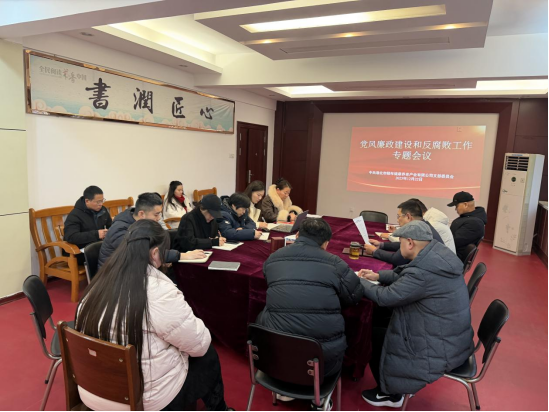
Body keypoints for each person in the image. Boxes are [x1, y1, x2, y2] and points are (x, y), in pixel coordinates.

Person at [75, 219, 231, 412]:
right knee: (208, 354)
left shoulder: (98, 283)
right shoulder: (159, 291)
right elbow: (199, 345)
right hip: (139, 400)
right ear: (155, 253)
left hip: (93, 390)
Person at [358, 221, 474, 408]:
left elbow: (385, 297)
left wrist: (357, 280)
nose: (399, 247)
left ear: (410, 243)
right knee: (382, 319)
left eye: (401, 242)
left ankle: (391, 394)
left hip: (438, 347)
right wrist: (377, 276)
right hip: (453, 339)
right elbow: (405, 277)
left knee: (374, 334)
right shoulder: (437, 255)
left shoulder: (423, 273)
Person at [257, 218, 363, 401]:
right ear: (326, 243)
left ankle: (287, 384)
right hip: (321, 362)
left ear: (297, 235)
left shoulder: (273, 258)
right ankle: (319, 398)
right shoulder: (336, 264)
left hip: (274, 356)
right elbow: (354, 296)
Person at [98, 193, 205, 268]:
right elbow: (141, 252)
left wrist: (164, 258)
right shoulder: (120, 230)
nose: (159, 218)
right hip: (114, 278)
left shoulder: (141, 223)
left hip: (135, 268)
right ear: (141, 214)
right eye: (156, 214)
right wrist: (182, 256)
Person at [363, 200, 444, 267]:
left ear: (408, 217)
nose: (397, 220)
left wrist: (374, 251)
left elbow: (397, 259)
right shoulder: (424, 226)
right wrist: (382, 245)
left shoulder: (416, 230)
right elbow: (404, 245)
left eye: (399, 216)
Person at [64, 186, 112, 264]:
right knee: (111, 257)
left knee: (121, 251)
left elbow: (111, 226)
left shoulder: (103, 211)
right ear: (87, 201)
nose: (101, 204)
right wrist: (96, 234)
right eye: (98, 202)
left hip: (98, 247)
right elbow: (71, 236)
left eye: (102, 201)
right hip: (79, 252)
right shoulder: (75, 215)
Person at [448, 192, 488, 262]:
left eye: (457, 206)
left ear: (465, 205)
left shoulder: (475, 223)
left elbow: (453, 242)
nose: (456, 209)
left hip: (453, 259)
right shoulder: (468, 218)